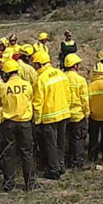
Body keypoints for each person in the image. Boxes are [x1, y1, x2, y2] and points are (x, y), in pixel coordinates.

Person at [33, 51, 71, 180]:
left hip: (49, 116)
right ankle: (61, 166)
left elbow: (38, 102)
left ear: (38, 64)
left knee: (51, 144)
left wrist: (37, 120)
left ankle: (53, 170)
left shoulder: (41, 79)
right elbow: (68, 93)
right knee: (61, 142)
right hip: (64, 113)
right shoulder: (61, 74)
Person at [0, 59, 35, 191]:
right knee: (27, 154)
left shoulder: (3, 87)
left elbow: (0, 101)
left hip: (9, 123)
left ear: (6, 73)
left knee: (8, 154)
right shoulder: (27, 85)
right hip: (25, 123)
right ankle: (30, 183)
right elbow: (31, 99)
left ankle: (9, 184)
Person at [64, 53, 89, 170]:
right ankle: (78, 162)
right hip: (78, 114)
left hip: (65, 114)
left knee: (67, 138)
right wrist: (87, 113)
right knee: (79, 139)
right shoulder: (81, 80)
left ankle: (68, 160)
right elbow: (84, 98)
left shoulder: (62, 78)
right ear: (75, 66)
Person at [88, 62, 103, 163]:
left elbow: (87, 101)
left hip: (94, 116)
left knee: (93, 138)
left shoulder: (90, 86)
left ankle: (92, 156)